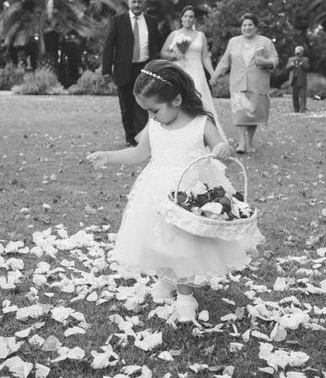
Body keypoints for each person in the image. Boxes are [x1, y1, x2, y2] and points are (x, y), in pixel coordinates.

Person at [86, 60, 263, 323]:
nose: (152, 115)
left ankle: (185, 295)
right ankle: (166, 280)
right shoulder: (155, 124)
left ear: (177, 100)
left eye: (154, 109)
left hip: (190, 193)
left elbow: (220, 145)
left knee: (185, 245)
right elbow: (139, 153)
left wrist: (222, 149)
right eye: (148, 111)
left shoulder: (201, 123)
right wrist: (109, 157)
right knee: (157, 240)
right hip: (157, 190)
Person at [209, 13, 278, 154]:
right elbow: (224, 61)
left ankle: (250, 142)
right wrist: (215, 76)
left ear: (256, 27)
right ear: (241, 27)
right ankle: (241, 142)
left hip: (257, 83)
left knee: (253, 113)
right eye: (244, 25)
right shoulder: (233, 42)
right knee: (239, 112)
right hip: (238, 82)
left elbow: (275, 59)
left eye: (250, 25)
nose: (247, 28)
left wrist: (266, 62)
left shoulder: (265, 42)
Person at [102, 0, 161, 146]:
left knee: (143, 105)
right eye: (133, 2)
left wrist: (156, 67)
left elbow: (155, 46)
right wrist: (106, 70)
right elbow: (108, 47)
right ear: (129, 2)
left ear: (143, 3)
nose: (136, 5)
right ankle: (130, 137)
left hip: (145, 69)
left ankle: (141, 138)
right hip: (124, 70)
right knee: (126, 106)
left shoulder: (151, 21)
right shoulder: (117, 21)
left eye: (139, 2)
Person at [160, 5, 225, 139]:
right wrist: (175, 56)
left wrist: (213, 74)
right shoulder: (175, 34)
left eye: (191, 17)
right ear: (182, 18)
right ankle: (180, 132)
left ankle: (203, 133)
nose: (188, 19)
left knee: (199, 100)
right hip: (179, 71)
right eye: (186, 16)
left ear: (194, 20)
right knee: (179, 99)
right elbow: (163, 52)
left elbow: (205, 57)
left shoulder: (201, 36)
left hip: (197, 72)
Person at [285, 46, 310, 113]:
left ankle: (302, 109)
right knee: (294, 96)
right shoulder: (291, 59)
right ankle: (296, 109)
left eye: (299, 52)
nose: (298, 54)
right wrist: (292, 64)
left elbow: (307, 68)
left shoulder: (305, 59)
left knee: (303, 96)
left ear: (302, 52)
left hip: (302, 80)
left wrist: (302, 64)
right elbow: (287, 68)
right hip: (294, 80)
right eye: (297, 52)